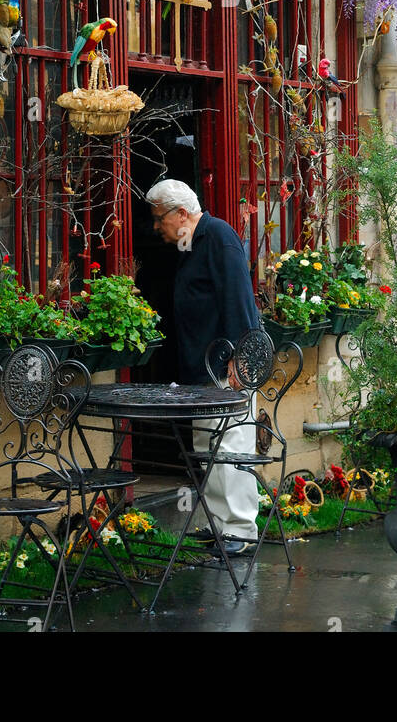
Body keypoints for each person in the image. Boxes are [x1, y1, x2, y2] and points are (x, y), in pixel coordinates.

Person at [145, 179, 262, 555]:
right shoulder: (192, 243)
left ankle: (240, 531)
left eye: (159, 217)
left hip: (226, 369)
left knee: (230, 448)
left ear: (181, 213)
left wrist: (241, 360)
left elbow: (240, 301)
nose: (156, 226)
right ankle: (220, 526)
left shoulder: (219, 237)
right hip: (205, 370)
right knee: (209, 448)